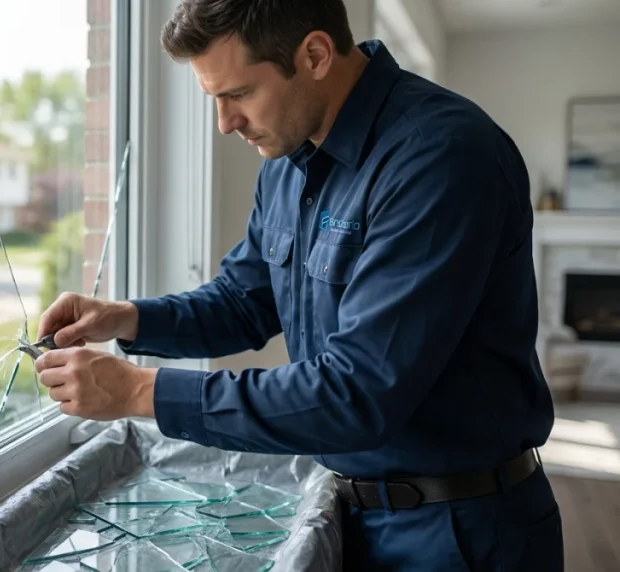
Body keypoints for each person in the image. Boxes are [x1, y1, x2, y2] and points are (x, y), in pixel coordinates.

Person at [33, 0, 563, 569]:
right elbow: (243, 301)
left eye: (237, 94)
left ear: (313, 54)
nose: (225, 123)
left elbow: (355, 393)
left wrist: (139, 392)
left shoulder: (441, 157)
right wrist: (126, 318)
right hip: (346, 513)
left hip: (462, 532)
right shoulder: (288, 162)